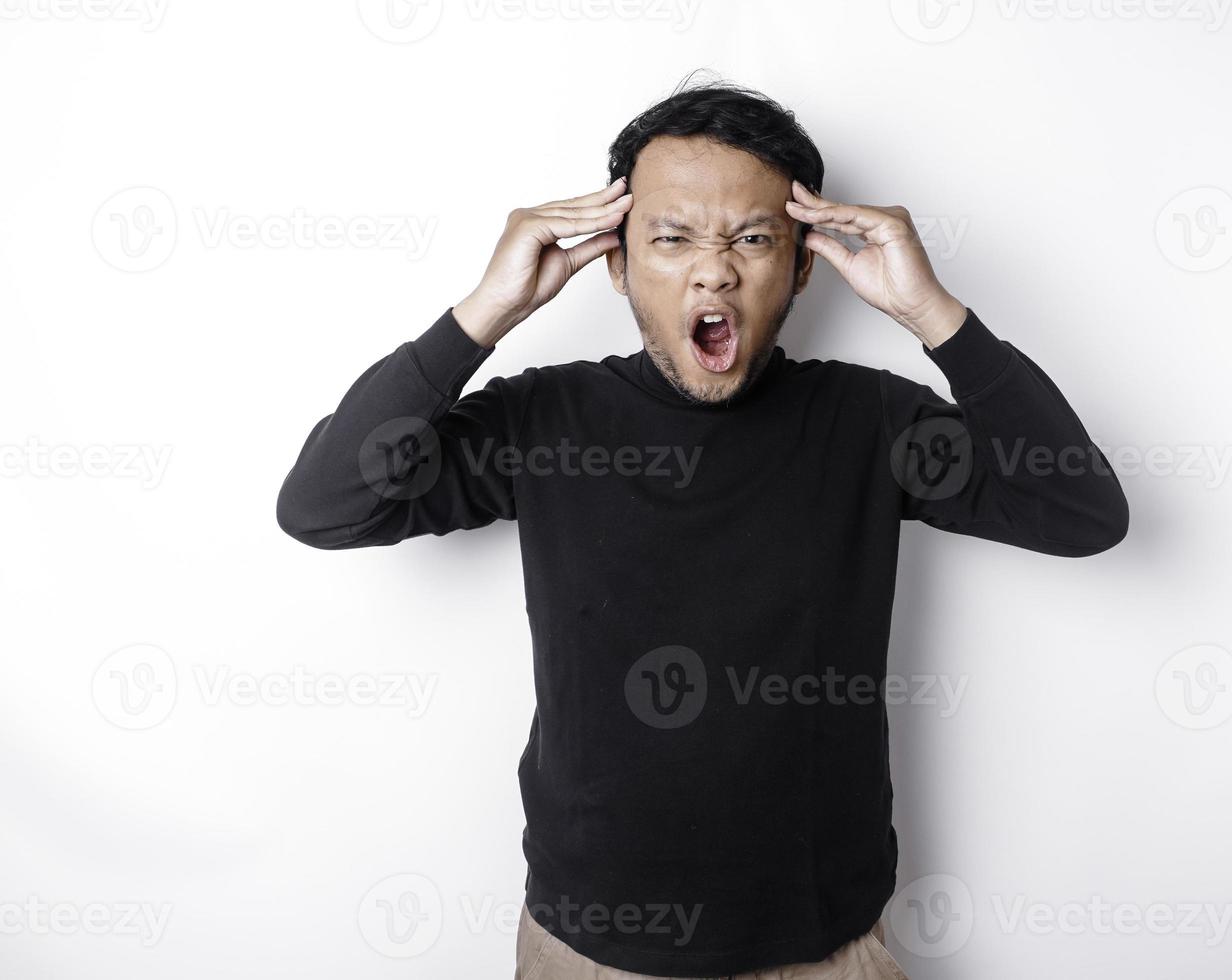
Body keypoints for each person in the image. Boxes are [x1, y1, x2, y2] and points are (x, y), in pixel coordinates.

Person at [276, 76, 1129, 979]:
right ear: (616, 262)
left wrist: (934, 317)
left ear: (803, 266)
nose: (713, 269)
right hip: (589, 947)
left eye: (753, 240)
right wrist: (483, 315)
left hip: (824, 945)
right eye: (671, 237)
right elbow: (325, 507)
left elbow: (1080, 513)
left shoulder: (872, 423)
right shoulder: (544, 422)